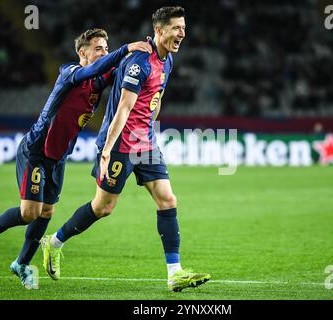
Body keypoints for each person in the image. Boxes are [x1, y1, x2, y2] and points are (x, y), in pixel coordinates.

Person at [41, 6, 210, 292]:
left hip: (145, 143)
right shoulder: (139, 63)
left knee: (168, 200)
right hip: (120, 144)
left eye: (183, 27)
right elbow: (123, 107)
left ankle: (174, 274)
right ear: (159, 30)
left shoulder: (167, 61)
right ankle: (53, 241)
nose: (182, 33)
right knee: (103, 207)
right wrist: (106, 150)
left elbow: (155, 99)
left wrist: (151, 129)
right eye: (176, 28)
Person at [0, 28, 152, 289]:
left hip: (59, 156)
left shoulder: (97, 82)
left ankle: (21, 264)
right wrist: (125, 48)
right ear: (83, 52)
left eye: (106, 47)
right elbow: (98, 67)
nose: (104, 51)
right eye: (99, 48)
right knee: (29, 212)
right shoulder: (69, 73)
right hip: (36, 150)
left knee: (46, 211)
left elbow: (119, 70)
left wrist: (147, 51)